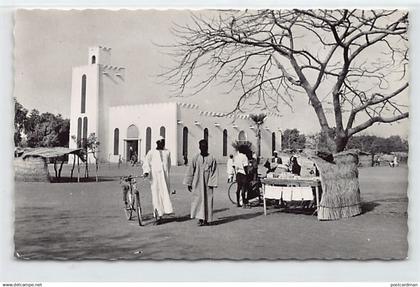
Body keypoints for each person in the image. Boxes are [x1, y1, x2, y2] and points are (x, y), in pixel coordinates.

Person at [183, 139, 218, 226]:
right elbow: (191, 170)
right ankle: (200, 219)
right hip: (197, 183)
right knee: (198, 200)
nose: (203, 148)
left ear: (207, 147)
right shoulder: (196, 158)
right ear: (199, 147)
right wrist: (189, 182)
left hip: (207, 184)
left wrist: (212, 183)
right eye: (202, 147)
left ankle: (207, 219)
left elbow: (214, 172)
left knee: (207, 201)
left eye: (205, 146)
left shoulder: (212, 158)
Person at [142, 136, 174, 225]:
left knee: (165, 195)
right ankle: (158, 216)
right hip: (155, 179)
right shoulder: (151, 152)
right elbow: (146, 163)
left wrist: (165, 174)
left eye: (163, 142)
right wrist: (146, 172)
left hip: (164, 179)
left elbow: (169, 165)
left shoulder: (167, 152)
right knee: (156, 197)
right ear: (157, 143)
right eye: (161, 142)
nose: (163, 144)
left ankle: (164, 213)